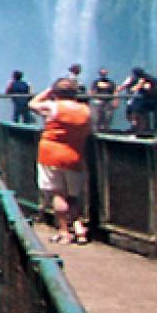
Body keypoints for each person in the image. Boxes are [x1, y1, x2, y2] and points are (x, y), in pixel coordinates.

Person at [30, 77, 92, 246]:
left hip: (50, 154)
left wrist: (49, 90)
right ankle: (79, 229)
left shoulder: (52, 106)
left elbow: (33, 104)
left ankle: (64, 233)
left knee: (58, 194)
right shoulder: (85, 109)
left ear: (56, 93)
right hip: (74, 155)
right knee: (73, 196)